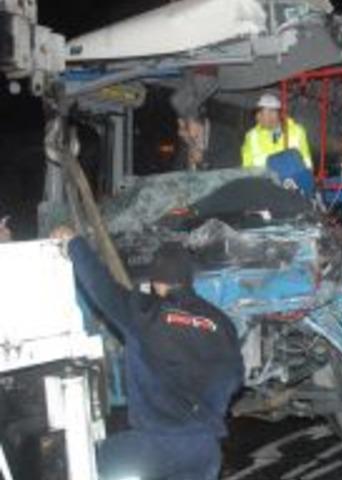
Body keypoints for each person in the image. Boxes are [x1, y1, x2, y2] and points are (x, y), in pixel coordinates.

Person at [51, 226, 244, 480]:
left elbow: (102, 286)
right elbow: (237, 378)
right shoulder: (221, 322)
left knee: (98, 460)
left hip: (154, 447)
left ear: (156, 282)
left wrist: (74, 243)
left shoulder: (145, 313)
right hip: (204, 447)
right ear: (188, 278)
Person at [241, 93, 312, 170]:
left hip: (290, 181)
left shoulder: (297, 131)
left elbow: (306, 161)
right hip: (262, 181)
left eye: (261, 113)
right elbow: (246, 165)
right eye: (258, 113)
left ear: (275, 114)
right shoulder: (251, 136)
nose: (258, 117)